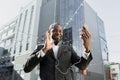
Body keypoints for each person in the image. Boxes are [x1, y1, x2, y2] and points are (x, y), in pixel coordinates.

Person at [23, 23, 93, 80]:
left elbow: (82, 66)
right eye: (54, 30)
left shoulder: (68, 49)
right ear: (49, 33)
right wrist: (44, 50)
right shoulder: (40, 48)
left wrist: (87, 49)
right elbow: (26, 68)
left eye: (60, 31)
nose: (58, 33)